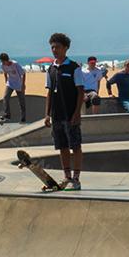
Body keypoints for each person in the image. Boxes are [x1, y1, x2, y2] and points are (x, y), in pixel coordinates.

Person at [43, 32, 85, 190]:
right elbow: (49, 92)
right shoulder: (51, 69)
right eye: (52, 47)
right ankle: (66, 176)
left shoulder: (74, 67)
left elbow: (80, 91)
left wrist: (77, 113)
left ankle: (76, 178)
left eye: (58, 47)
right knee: (62, 146)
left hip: (70, 114)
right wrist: (47, 114)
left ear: (65, 48)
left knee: (76, 146)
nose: (54, 50)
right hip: (57, 114)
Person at [0, 52, 27, 122]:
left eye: (2, 61)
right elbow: (5, 72)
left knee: (21, 101)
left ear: (6, 60)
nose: (1, 62)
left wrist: (23, 85)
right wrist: (6, 79)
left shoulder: (15, 64)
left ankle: (23, 117)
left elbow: (23, 74)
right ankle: (7, 114)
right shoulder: (2, 65)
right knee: (5, 97)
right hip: (10, 83)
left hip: (19, 84)